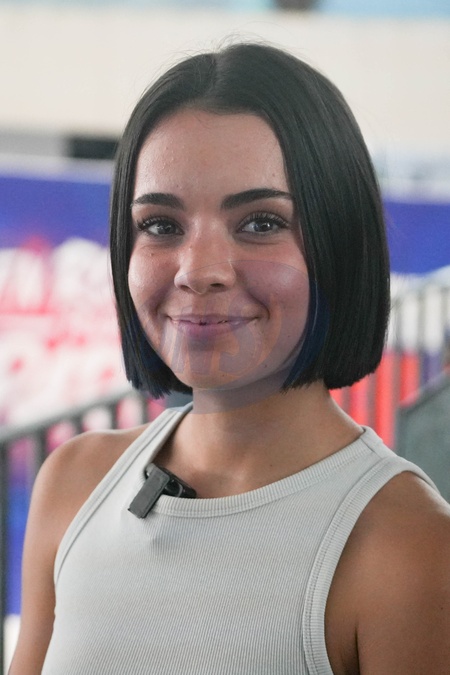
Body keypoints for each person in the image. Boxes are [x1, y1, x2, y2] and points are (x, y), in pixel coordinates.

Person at [10, 43, 450, 675]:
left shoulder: (407, 547)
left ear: (340, 241)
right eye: (161, 225)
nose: (199, 271)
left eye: (261, 223)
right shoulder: (74, 483)